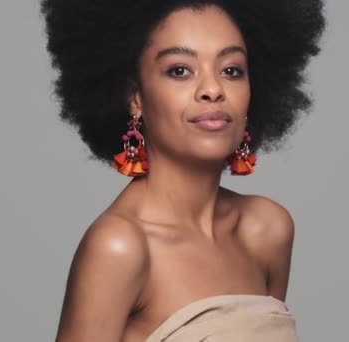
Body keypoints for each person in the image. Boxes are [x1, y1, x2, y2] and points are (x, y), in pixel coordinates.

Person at [41, 1, 325, 341]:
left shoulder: (267, 230)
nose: (213, 89)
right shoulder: (121, 248)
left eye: (231, 70)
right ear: (136, 97)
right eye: (180, 70)